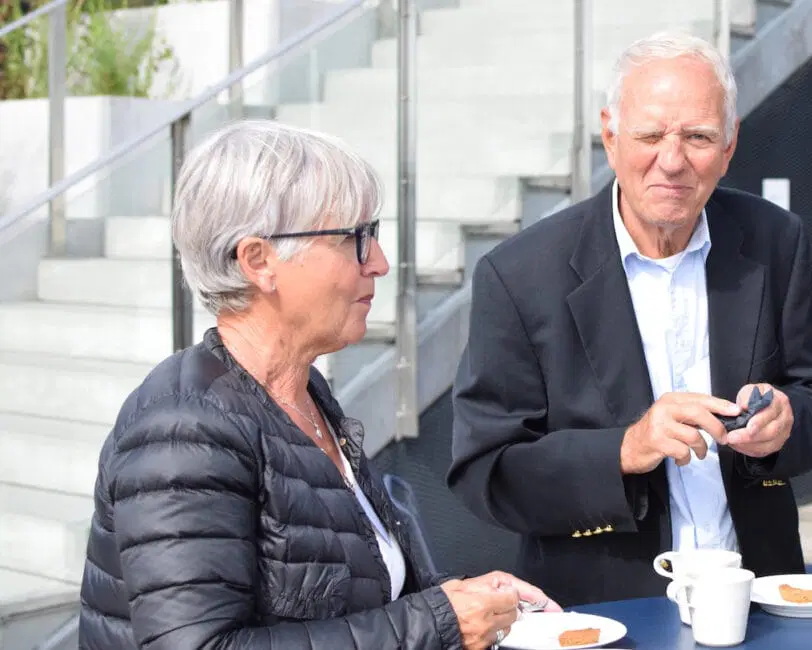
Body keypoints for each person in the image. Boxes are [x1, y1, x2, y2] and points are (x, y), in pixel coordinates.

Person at [78, 120, 558, 650]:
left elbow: (356, 603)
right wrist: (437, 622)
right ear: (259, 260)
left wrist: (466, 600)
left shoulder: (301, 395)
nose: (378, 262)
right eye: (355, 239)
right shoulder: (185, 428)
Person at [447, 31, 812, 607]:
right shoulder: (519, 275)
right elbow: (486, 471)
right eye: (650, 134)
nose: (673, 160)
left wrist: (786, 424)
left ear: (731, 143)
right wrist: (624, 449)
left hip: (758, 599)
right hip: (601, 613)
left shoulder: (776, 240)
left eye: (698, 137)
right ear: (610, 136)